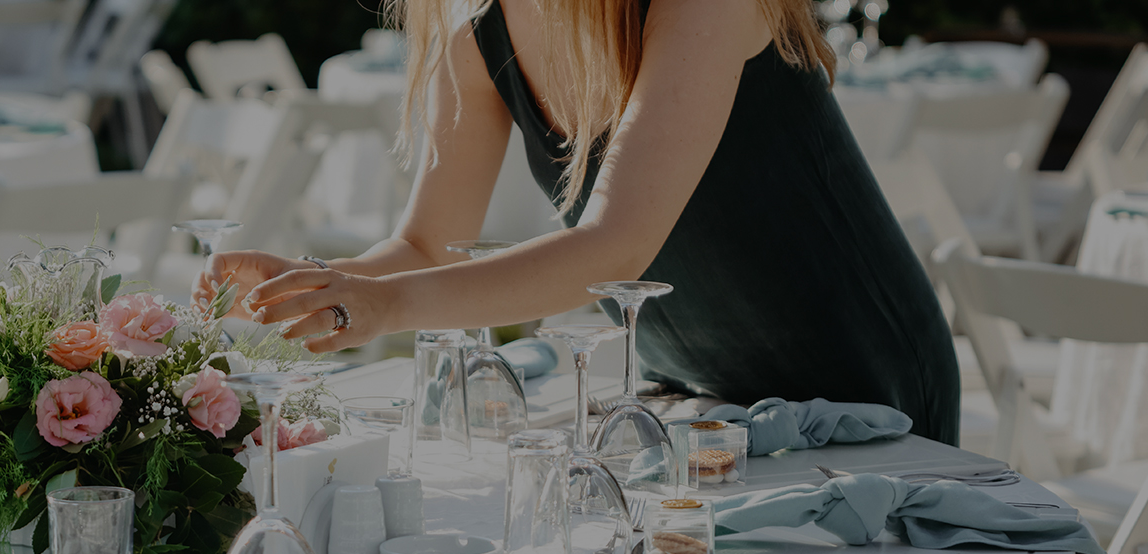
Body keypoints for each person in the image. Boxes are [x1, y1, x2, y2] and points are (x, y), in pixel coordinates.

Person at [193, 0, 961, 444]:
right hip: (701, 399)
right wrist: (317, 283)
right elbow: (424, 243)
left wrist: (386, 307)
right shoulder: (479, 29)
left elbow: (614, 247)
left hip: (863, 382)